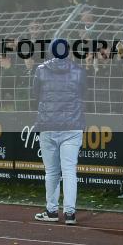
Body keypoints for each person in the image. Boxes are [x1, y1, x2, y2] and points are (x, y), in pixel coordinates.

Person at [31, 39, 86, 225]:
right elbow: (83, 93)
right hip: (73, 125)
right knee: (70, 171)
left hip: (48, 125)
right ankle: (70, 213)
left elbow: (35, 95)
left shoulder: (41, 70)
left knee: (52, 172)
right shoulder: (79, 71)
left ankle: (52, 210)